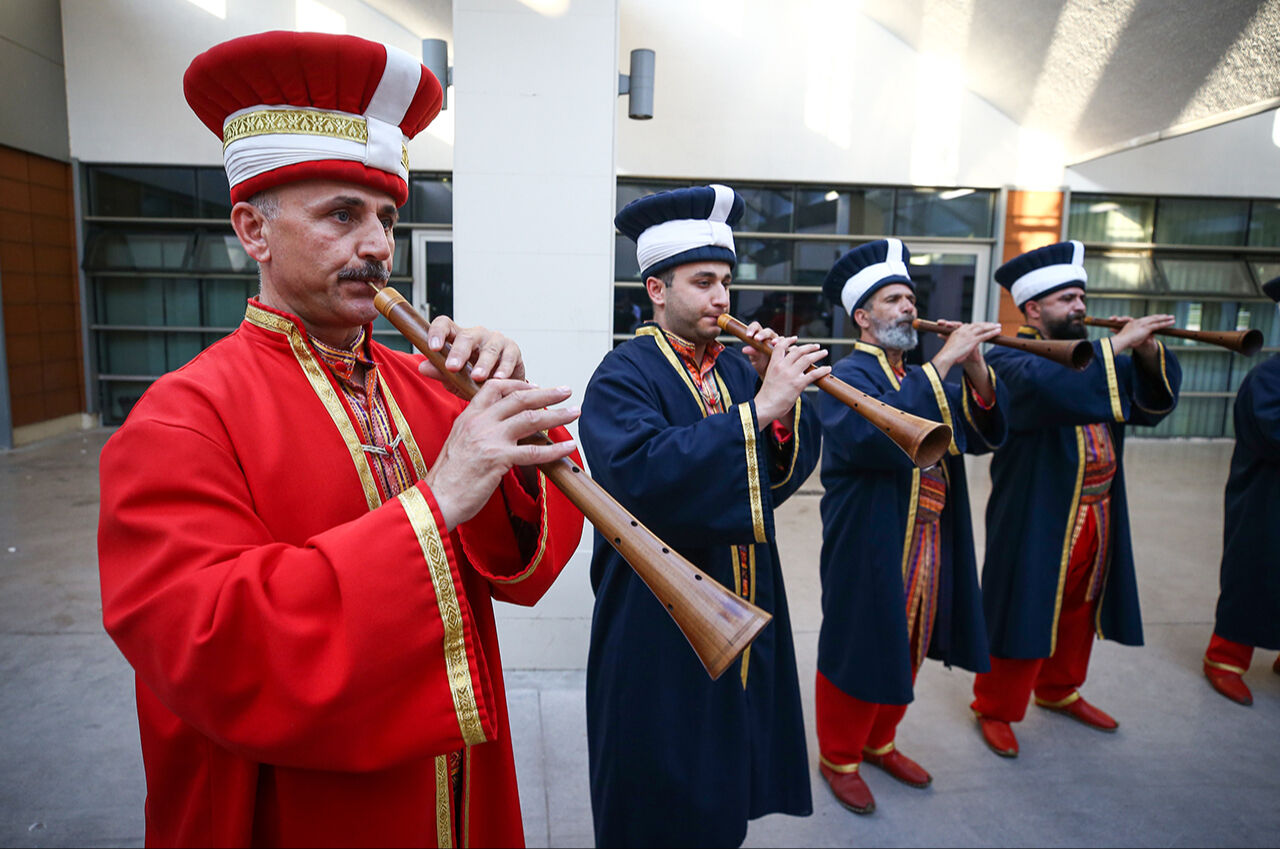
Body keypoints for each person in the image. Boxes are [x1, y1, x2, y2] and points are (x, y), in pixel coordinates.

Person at [96, 32, 585, 848]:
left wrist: (508, 417)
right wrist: (435, 502)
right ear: (253, 231)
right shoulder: (178, 418)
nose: (379, 246)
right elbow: (210, 647)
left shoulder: (428, 381)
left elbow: (522, 570)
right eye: (342, 215)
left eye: (387, 217)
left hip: (459, 794)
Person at [579, 184, 827, 847]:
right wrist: (761, 410)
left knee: (721, 763)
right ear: (657, 290)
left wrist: (777, 401)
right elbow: (640, 474)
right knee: (660, 767)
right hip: (655, 616)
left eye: (726, 281)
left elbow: (774, 481)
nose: (723, 297)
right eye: (704, 282)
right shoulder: (622, 373)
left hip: (743, 591)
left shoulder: (739, 371)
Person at [813, 239, 1007, 815]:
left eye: (911, 299)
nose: (907, 308)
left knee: (912, 636)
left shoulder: (916, 375)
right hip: (869, 536)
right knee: (858, 640)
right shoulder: (842, 374)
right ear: (862, 317)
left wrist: (974, 365)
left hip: (928, 534)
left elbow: (978, 435)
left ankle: (880, 742)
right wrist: (943, 364)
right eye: (893, 299)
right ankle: (840, 757)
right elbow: (872, 440)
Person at [972, 240, 1181, 757]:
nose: (1080, 308)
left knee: (1079, 607)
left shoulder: (1093, 355)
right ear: (1032, 310)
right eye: (1066, 299)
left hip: (1099, 508)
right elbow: (1053, 391)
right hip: (1036, 509)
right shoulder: (1009, 356)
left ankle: (1059, 688)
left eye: (1081, 297)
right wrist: (1118, 346)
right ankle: (996, 706)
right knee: (1024, 604)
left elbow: (1144, 402)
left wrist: (1146, 352)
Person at [1202, 276, 1280, 705]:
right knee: (1255, 576)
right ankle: (1225, 659)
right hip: (1266, 502)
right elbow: (1271, 434)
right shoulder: (1268, 378)